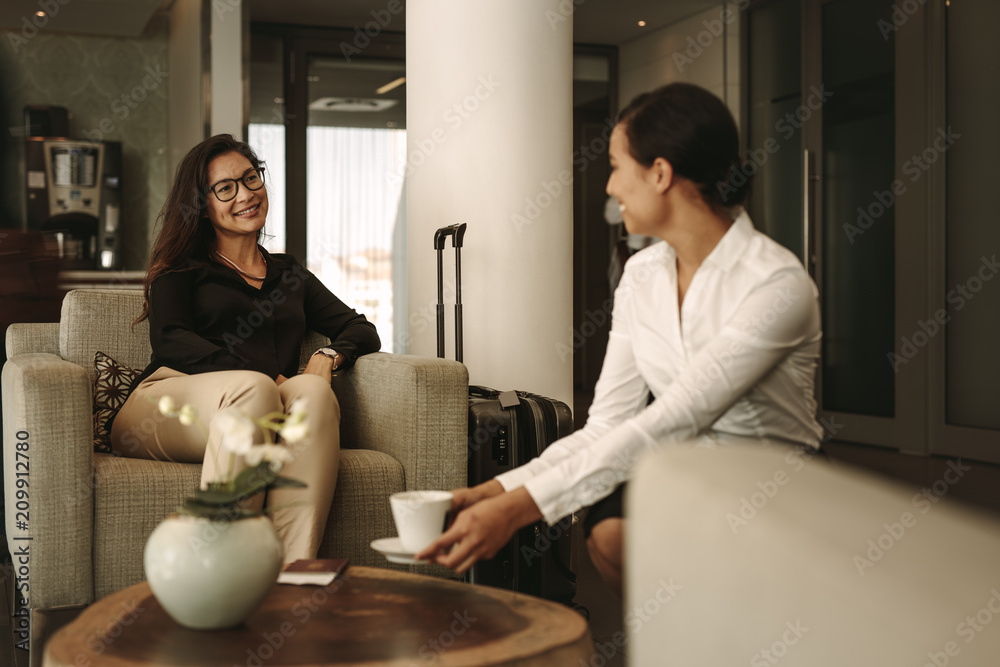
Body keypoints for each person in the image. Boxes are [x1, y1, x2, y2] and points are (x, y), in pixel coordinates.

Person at [416, 83, 823, 595]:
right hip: (681, 466)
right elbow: (608, 423)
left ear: (659, 172)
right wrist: (492, 491)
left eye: (615, 166)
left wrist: (517, 510)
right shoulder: (643, 274)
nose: (609, 187)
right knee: (611, 534)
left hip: (770, 476)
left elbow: (677, 416)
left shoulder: (776, 284)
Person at [111, 134, 380, 563]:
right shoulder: (181, 268)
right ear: (203, 204)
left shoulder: (289, 274)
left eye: (250, 178)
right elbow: (171, 339)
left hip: (261, 402)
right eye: (225, 188)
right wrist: (261, 373)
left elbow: (359, 328)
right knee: (256, 390)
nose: (245, 195)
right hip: (162, 404)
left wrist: (326, 357)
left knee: (311, 392)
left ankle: (289, 570)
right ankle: (220, 573)